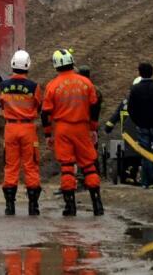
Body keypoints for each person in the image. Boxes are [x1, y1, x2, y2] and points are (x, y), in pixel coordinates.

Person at [41, 48, 103, 217]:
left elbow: (45, 113)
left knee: (67, 167)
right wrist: (93, 127)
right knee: (89, 165)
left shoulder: (52, 86)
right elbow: (95, 105)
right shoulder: (85, 83)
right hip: (82, 128)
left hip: (63, 129)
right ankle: (97, 204)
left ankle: (70, 206)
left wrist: (47, 134)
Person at [0, 49, 43, 217]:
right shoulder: (33, 87)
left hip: (10, 128)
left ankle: (10, 206)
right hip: (27, 128)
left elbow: (2, 104)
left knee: (11, 166)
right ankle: (33, 206)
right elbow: (38, 106)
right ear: (28, 65)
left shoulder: (3, 86)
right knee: (30, 165)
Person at [126, 63, 153, 188]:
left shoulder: (135, 89)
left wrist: (138, 121)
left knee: (145, 154)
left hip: (142, 126)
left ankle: (147, 181)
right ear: (152, 72)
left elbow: (130, 109)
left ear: (140, 73)